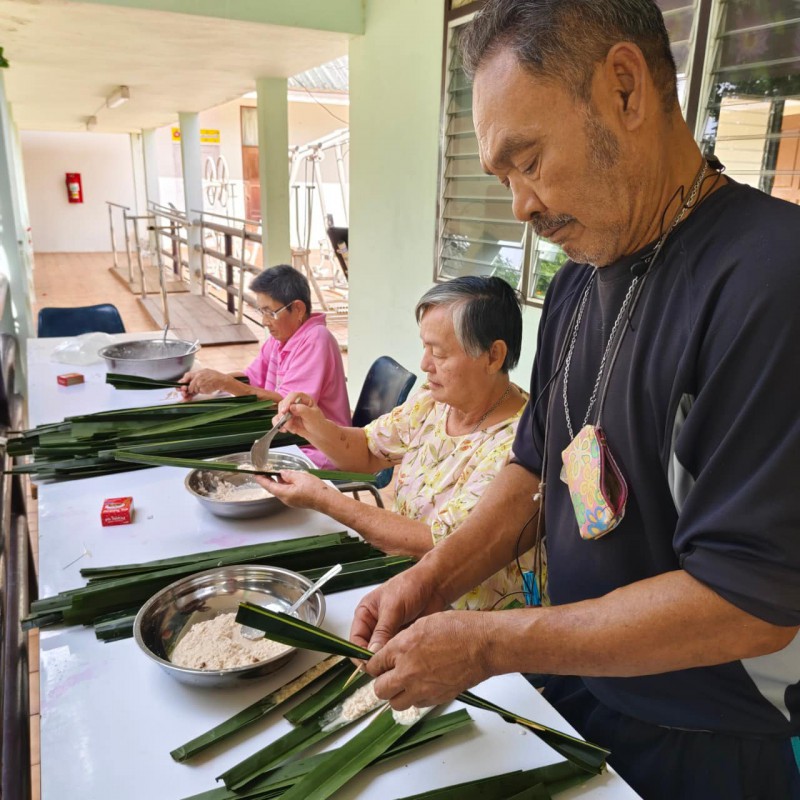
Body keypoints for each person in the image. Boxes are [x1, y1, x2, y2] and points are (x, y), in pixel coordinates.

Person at [348, 2, 800, 798]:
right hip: (578, 684)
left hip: (706, 738)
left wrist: (489, 644)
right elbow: (532, 473)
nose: (520, 206)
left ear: (625, 88)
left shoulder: (771, 279)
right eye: (503, 179)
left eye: (528, 161)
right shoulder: (576, 285)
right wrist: (434, 580)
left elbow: (749, 603)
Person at [259, 276, 531, 610]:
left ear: (493, 356)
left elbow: (440, 542)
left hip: (466, 617)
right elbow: (367, 449)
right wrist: (313, 426)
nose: (424, 364)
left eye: (439, 352)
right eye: (424, 347)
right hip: (404, 581)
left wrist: (324, 499)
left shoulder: (520, 445)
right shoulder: (434, 401)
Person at [179, 264, 350, 469]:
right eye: (262, 311)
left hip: (318, 447)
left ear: (298, 309)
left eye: (270, 313)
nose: (264, 322)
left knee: (231, 462)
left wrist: (224, 382)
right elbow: (250, 379)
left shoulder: (316, 339)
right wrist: (207, 380)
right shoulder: (280, 339)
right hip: (287, 436)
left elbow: (289, 409)